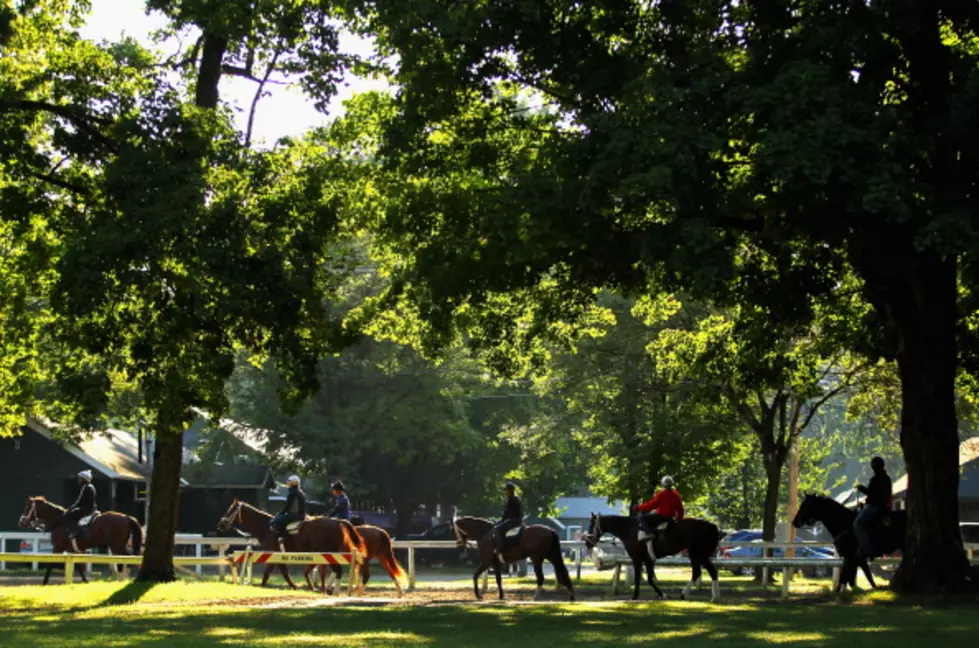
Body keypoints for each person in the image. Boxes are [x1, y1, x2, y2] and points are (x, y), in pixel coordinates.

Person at [854, 456, 892, 559]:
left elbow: (871, 494)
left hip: (873, 507)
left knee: (857, 524)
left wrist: (860, 488)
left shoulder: (875, 479)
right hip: (883, 507)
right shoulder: (887, 478)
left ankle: (867, 549)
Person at [635, 475, 685, 540]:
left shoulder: (662, 494)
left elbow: (651, 505)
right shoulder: (676, 494)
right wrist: (678, 519)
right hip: (670, 519)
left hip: (660, 517)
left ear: (663, 484)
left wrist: (638, 508)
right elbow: (680, 510)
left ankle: (649, 533)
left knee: (643, 518)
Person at [491, 481, 524, 556]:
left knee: (497, 529)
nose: (504, 492)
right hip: (516, 520)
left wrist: (500, 522)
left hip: (514, 521)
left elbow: (507, 514)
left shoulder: (512, 499)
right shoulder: (516, 498)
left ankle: (501, 548)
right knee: (498, 526)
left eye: (505, 490)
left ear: (510, 490)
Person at [270, 475, 307, 539]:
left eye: (289, 482)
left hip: (294, 515)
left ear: (293, 483)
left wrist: (280, 514)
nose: (287, 483)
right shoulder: (300, 492)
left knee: (275, 521)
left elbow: (287, 506)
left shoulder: (292, 492)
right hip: (302, 515)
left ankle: (281, 538)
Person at [64, 470, 97, 538]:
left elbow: (79, 500)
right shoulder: (91, 486)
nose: (79, 480)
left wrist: (70, 508)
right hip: (91, 508)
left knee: (67, 516)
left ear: (84, 479)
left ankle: (75, 531)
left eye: (80, 478)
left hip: (86, 509)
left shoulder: (85, 487)